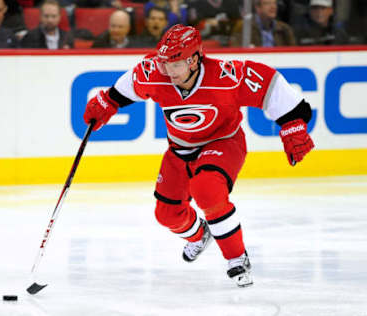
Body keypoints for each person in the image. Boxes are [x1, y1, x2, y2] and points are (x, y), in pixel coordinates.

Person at [82, 24, 314, 287]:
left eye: (176, 64)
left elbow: (275, 89)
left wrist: (293, 124)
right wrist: (106, 102)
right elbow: (124, 89)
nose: (169, 70)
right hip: (179, 150)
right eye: (165, 63)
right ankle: (199, 235)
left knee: (207, 189)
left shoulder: (228, 76)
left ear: (194, 59)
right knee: (166, 214)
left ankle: (237, 258)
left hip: (224, 143)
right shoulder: (154, 72)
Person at [230, 0, 296, 47]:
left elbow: (294, 53)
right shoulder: (245, 27)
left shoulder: (284, 28)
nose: (273, 7)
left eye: (274, 3)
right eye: (267, 3)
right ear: (258, 7)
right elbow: (237, 50)